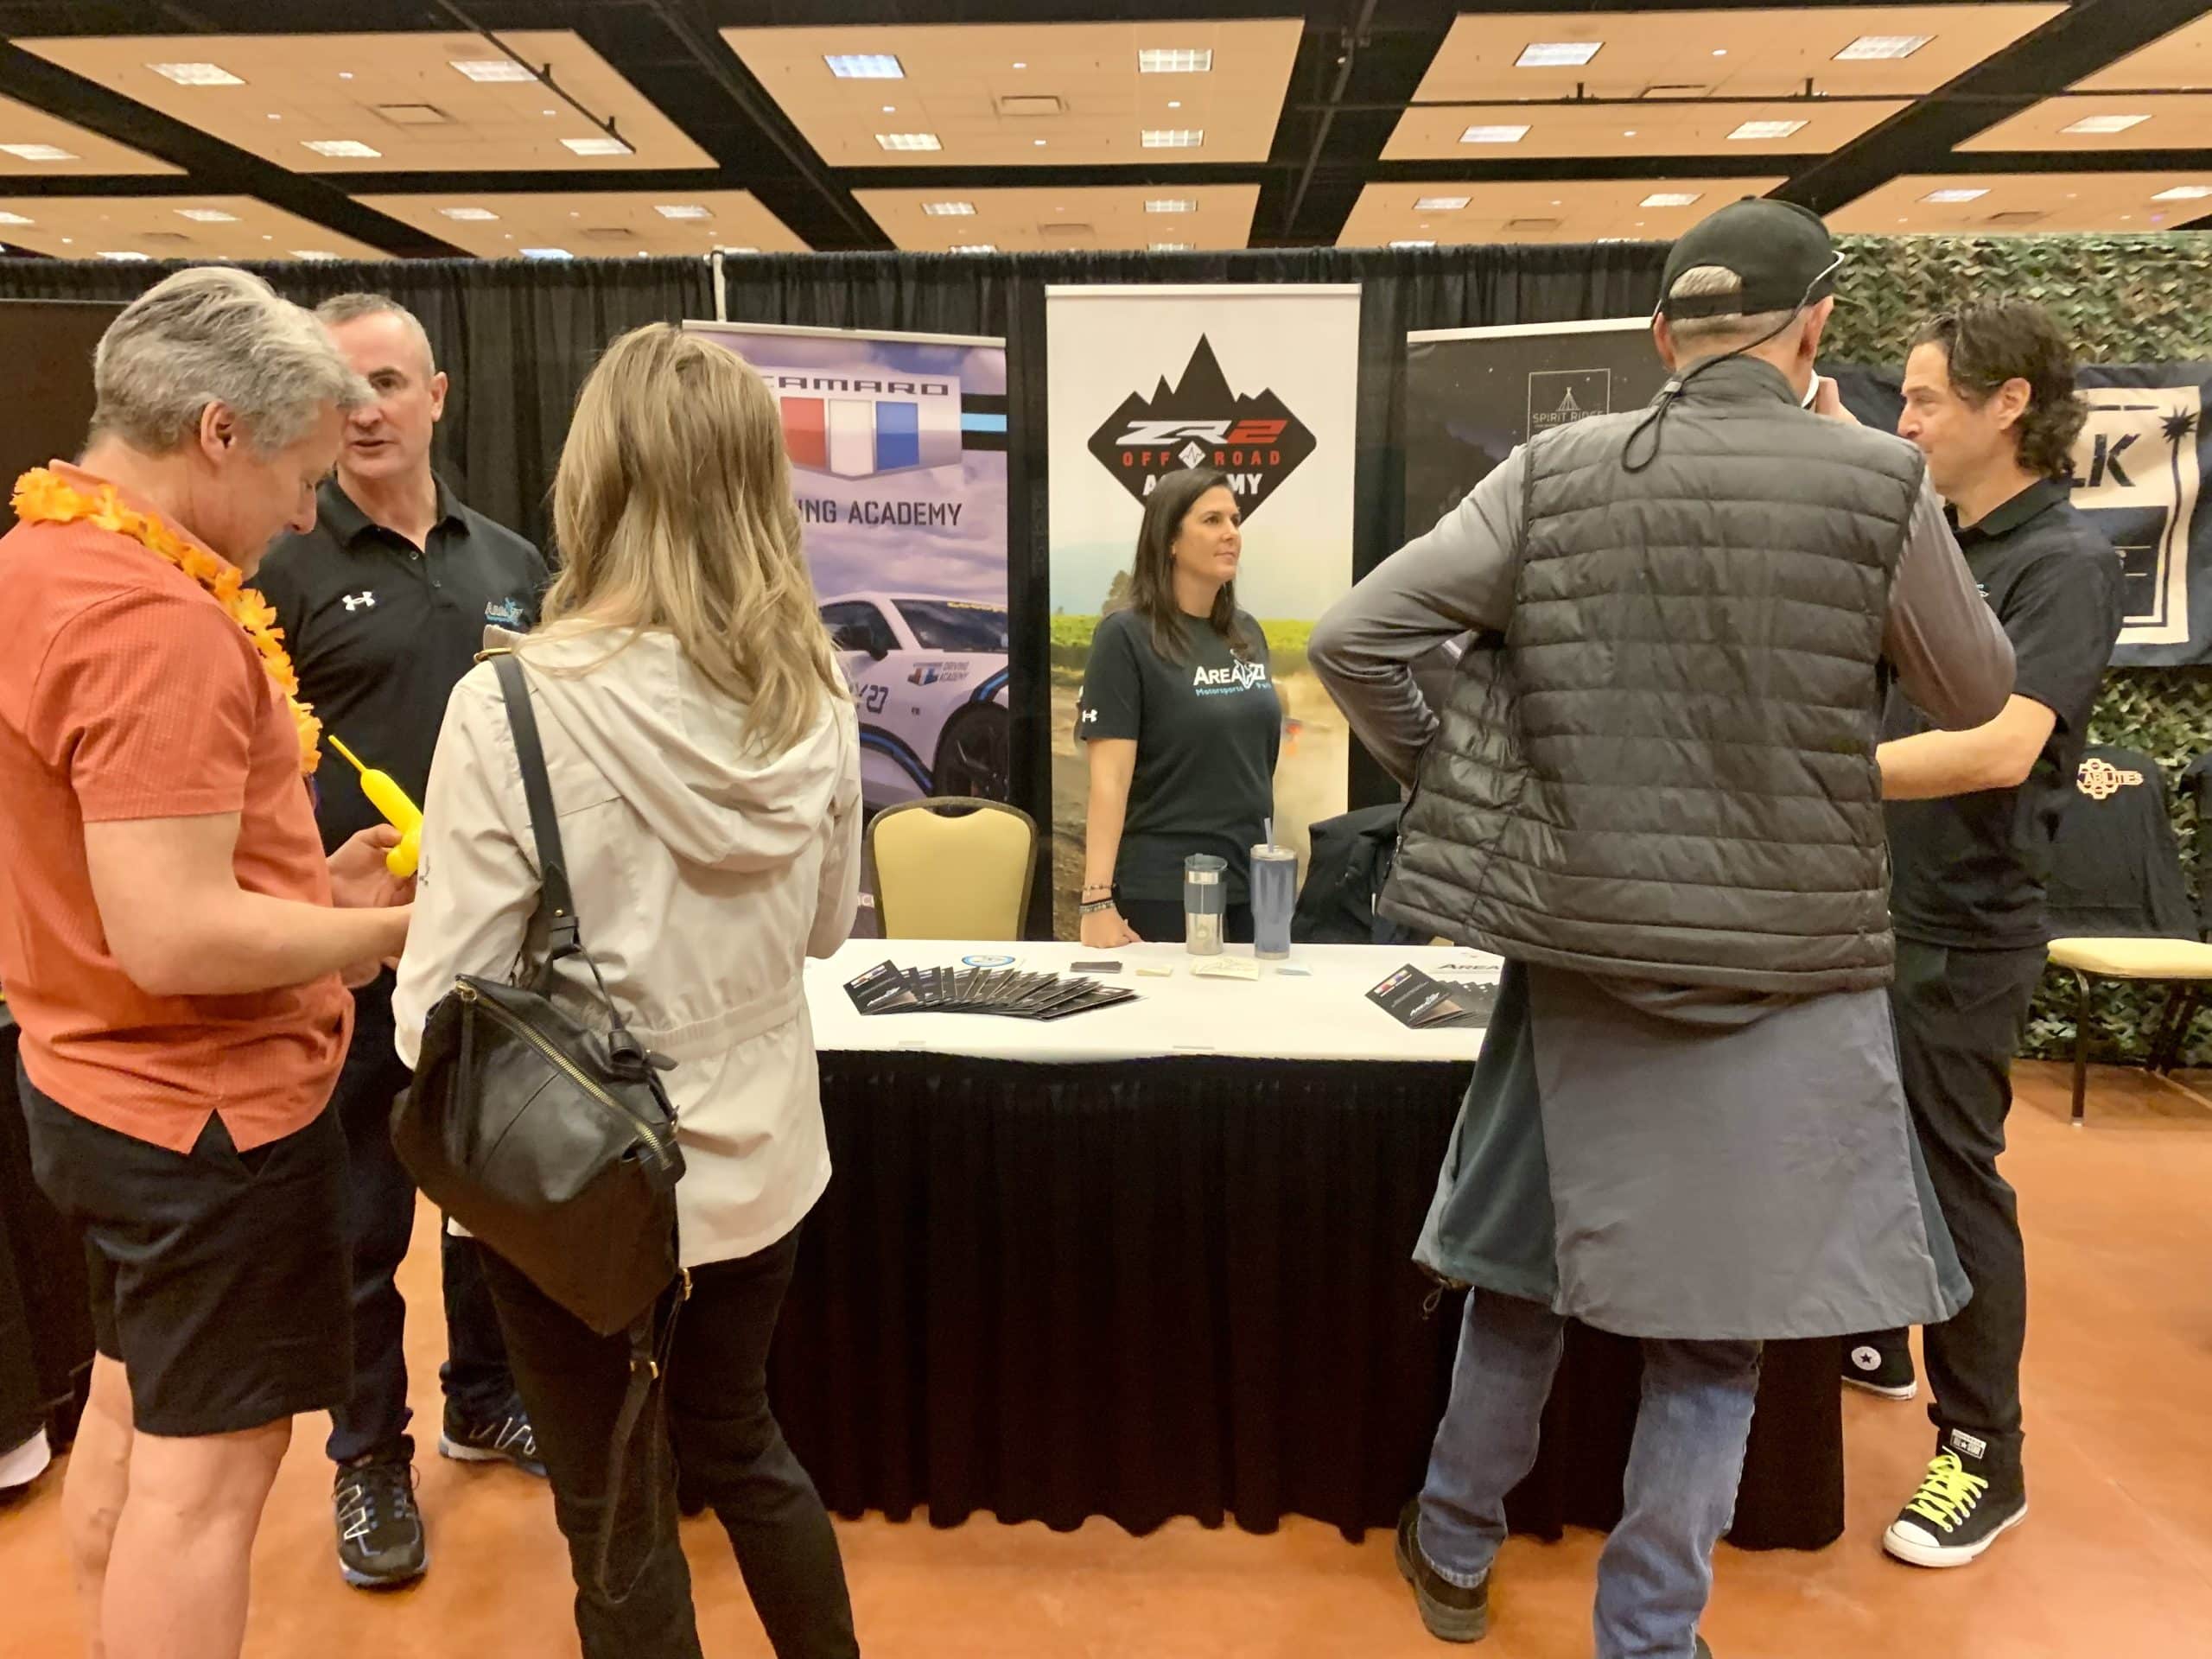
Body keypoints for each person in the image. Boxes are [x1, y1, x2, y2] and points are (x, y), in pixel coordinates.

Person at [1310, 198, 2017, 1659]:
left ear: (1660, 336)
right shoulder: (1878, 481)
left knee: (1524, 1275)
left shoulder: (1555, 469)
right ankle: (1648, 1635)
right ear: (1817, 325)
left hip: (1581, 954)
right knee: (1715, 1335)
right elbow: (1971, 691)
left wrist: (1460, 775)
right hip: (1789, 968)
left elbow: (1354, 638)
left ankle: (1455, 1550)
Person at [391, 322, 862, 1659]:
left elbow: (436, 1016)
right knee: (742, 1439)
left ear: (593, 479)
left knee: (611, 1508)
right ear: (760, 485)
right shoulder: (816, 695)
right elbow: (828, 933)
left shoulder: (511, 708)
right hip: (761, 1158)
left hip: (573, 1182)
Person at [0, 267, 411, 1659]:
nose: (305, 516)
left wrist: (313, 887)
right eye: (301, 476)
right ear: (220, 432)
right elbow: (173, 935)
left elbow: (126, 872)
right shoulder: (155, 622)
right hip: (206, 1115)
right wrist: (394, 934)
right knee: (207, 1485)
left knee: (127, 1425)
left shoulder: (40, 561)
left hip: (95, 1084)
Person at [255, 292, 550, 1588]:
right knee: (361, 1222)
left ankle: (485, 1399)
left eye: (387, 383)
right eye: (342, 389)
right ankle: (369, 1456)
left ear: (438, 396)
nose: (365, 411)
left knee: (491, 1207)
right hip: (358, 958)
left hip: (496, 962)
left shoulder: (514, 564)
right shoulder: (279, 567)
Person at [1841, 302, 2123, 1569]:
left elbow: (2005, 745)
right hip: (1873, 908)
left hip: (1966, 925)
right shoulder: (1931, 546)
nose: (1905, 422)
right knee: (1858, 1150)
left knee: (1953, 1177)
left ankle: (1982, 1452)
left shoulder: (2062, 564)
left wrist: (1817, 776)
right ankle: (1870, 1339)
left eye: (1925, 399)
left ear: (2010, 404)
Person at [1077, 467, 1281, 947]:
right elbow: (1110, 780)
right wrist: (1096, 901)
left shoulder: (1247, 634)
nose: (1231, 533)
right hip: (1165, 889)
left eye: (1235, 520)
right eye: (1212, 520)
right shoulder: (1125, 637)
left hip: (1250, 885)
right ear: (1170, 539)